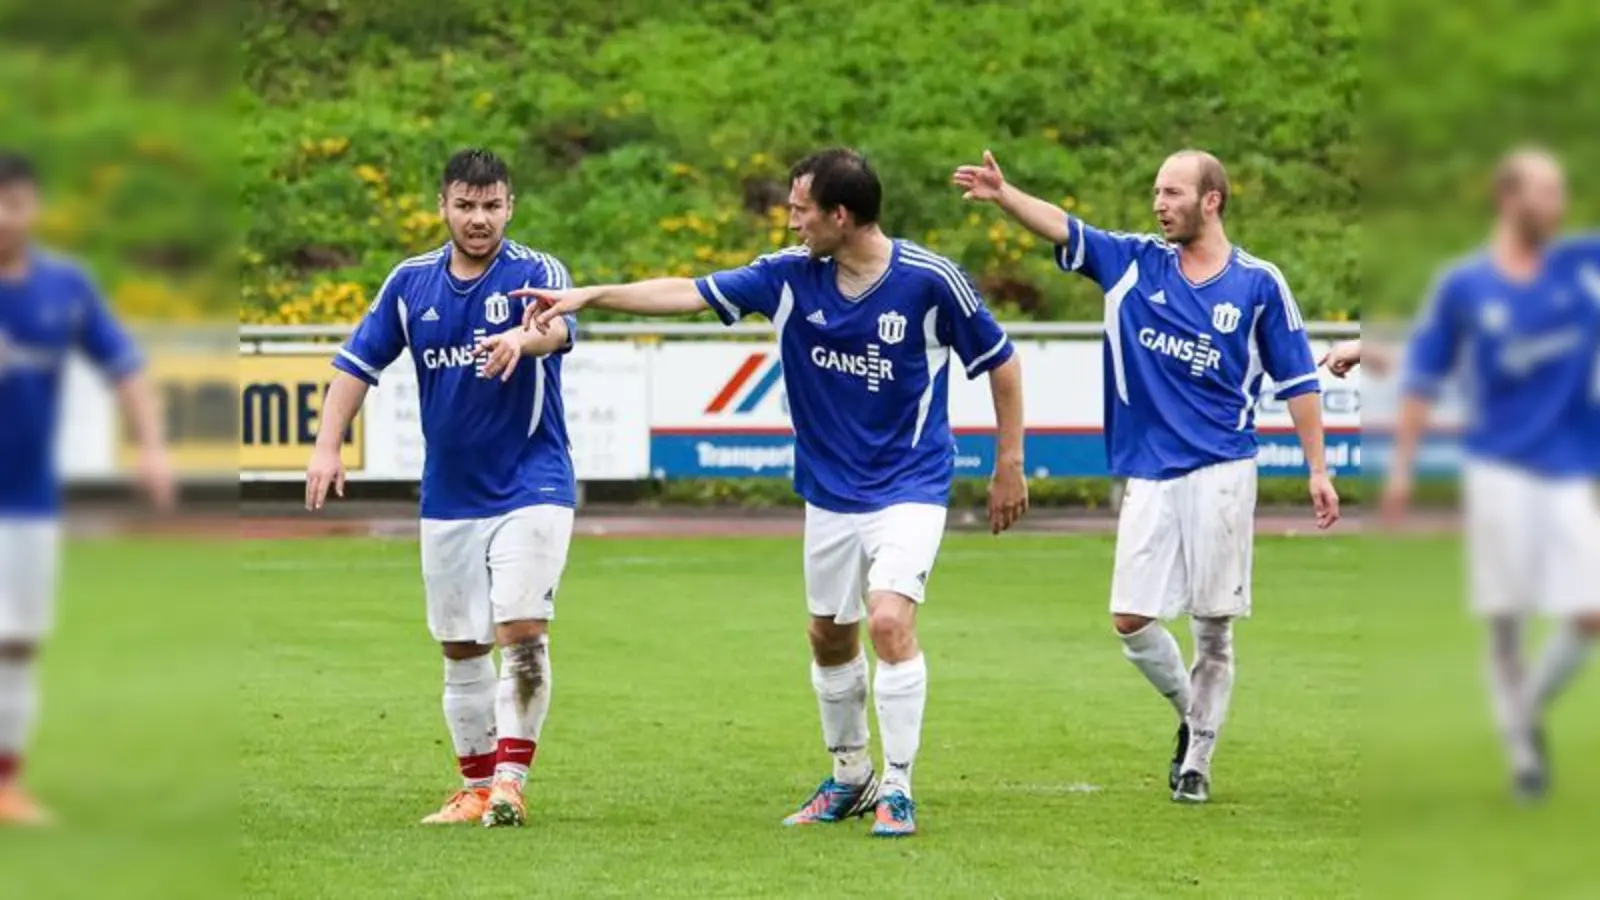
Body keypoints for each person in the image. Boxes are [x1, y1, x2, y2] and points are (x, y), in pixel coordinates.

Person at [517, 147, 1028, 837]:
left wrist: (1009, 463)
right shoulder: (788, 278)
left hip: (909, 484)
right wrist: (590, 297)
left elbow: (1000, 361)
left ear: (840, 216)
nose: (791, 223)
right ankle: (851, 776)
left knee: (887, 622)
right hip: (828, 491)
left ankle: (899, 788)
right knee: (828, 634)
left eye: (800, 210)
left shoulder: (930, 282)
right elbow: (690, 292)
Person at [953, 148, 1339, 803]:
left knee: (1213, 624)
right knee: (1131, 620)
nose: (1159, 203)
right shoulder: (1135, 262)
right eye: (1156, 191)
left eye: (1172, 192)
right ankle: (1194, 718)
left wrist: (1318, 469)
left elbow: (1299, 381)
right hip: (1149, 473)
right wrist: (1006, 194)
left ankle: (1199, 764)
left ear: (1210, 200)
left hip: (1223, 468)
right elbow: (1065, 228)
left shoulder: (1258, 283)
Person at [305, 148, 580, 828]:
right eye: (466, 205)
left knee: (520, 627)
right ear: (444, 207)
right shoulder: (411, 283)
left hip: (532, 483)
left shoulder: (535, 272)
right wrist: (326, 445)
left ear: (510, 206)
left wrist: (525, 339)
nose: (479, 218)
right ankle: (475, 787)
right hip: (450, 494)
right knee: (461, 644)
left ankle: (511, 784)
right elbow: (356, 363)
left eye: (491, 205)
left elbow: (559, 328)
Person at [1384, 146, 1600, 801]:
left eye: (1560, 193)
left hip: (1567, 469)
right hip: (1499, 468)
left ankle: (1523, 710)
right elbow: (1422, 376)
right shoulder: (1465, 286)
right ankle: (1523, 755)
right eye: (1545, 193)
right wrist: (1400, 472)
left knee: (1590, 613)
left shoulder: (1578, 267)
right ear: (1510, 200)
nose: (1557, 206)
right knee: (1506, 618)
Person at [0, 150, 175, 825]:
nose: (4, 217)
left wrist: (152, 449)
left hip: (28, 502)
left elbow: (125, 368)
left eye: (14, 202)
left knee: (17, 640)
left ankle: (6, 781)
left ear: (33, 208)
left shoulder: (64, 287)